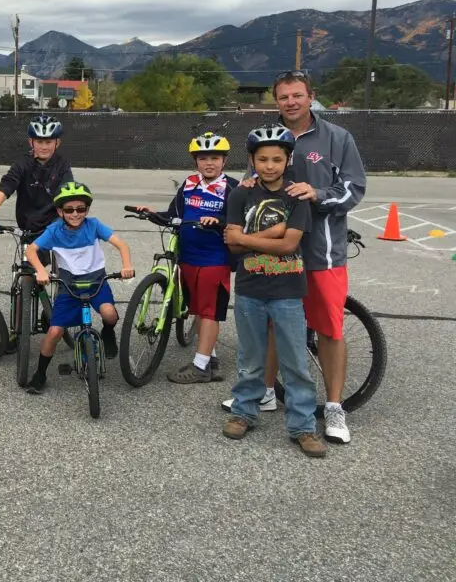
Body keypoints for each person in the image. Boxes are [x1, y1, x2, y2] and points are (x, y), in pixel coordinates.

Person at [221, 71, 367, 444]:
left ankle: (334, 406)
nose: (290, 102)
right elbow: (251, 184)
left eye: (297, 95)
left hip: (321, 251)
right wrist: (247, 184)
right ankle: (264, 391)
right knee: (271, 325)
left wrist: (316, 194)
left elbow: (354, 187)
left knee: (329, 328)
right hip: (273, 260)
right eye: (283, 96)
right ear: (276, 100)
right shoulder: (269, 139)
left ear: (310, 97)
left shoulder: (337, 138)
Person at [221, 125, 326, 458]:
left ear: (287, 160)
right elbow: (232, 247)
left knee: (295, 361)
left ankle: (303, 426)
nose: (269, 166)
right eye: (262, 159)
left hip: (288, 291)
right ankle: (244, 412)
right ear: (252, 160)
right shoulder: (241, 194)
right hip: (250, 288)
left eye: (276, 159)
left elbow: (290, 245)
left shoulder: (296, 196)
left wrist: (246, 238)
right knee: (249, 359)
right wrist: (274, 235)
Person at [135, 131, 238, 384]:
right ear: (196, 162)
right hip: (187, 256)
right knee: (200, 309)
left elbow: (240, 220)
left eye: (215, 157)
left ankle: (201, 367)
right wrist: (152, 213)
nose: (209, 163)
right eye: (203, 158)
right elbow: (174, 213)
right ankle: (209, 357)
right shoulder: (189, 183)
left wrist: (220, 221)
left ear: (224, 160)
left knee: (210, 311)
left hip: (215, 258)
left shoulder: (233, 188)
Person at [23, 182, 134, 395]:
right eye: (69, 210)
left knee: (110, 314)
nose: (75, 214)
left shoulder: (93, 226)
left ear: (87, 210)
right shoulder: (54, 230)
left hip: (96, 282)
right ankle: (40, 374)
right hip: (69, 286)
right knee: (55, 331)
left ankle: (108, 333)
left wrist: (127, 264)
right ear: (60, 211)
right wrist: (41, 270)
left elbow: (121, 244)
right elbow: (31, 251)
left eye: (80, 209)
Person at [0, 113, 73, 239]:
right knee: (27, 257)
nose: (44, 147)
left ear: (57, 143)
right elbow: (5, 188)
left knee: (65, 255)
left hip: (55, 224)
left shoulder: (62, 164)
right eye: (39, 141)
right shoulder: (22, 164)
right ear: (31, 142)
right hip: (28, 225)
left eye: (48, 142)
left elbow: (68, 193)